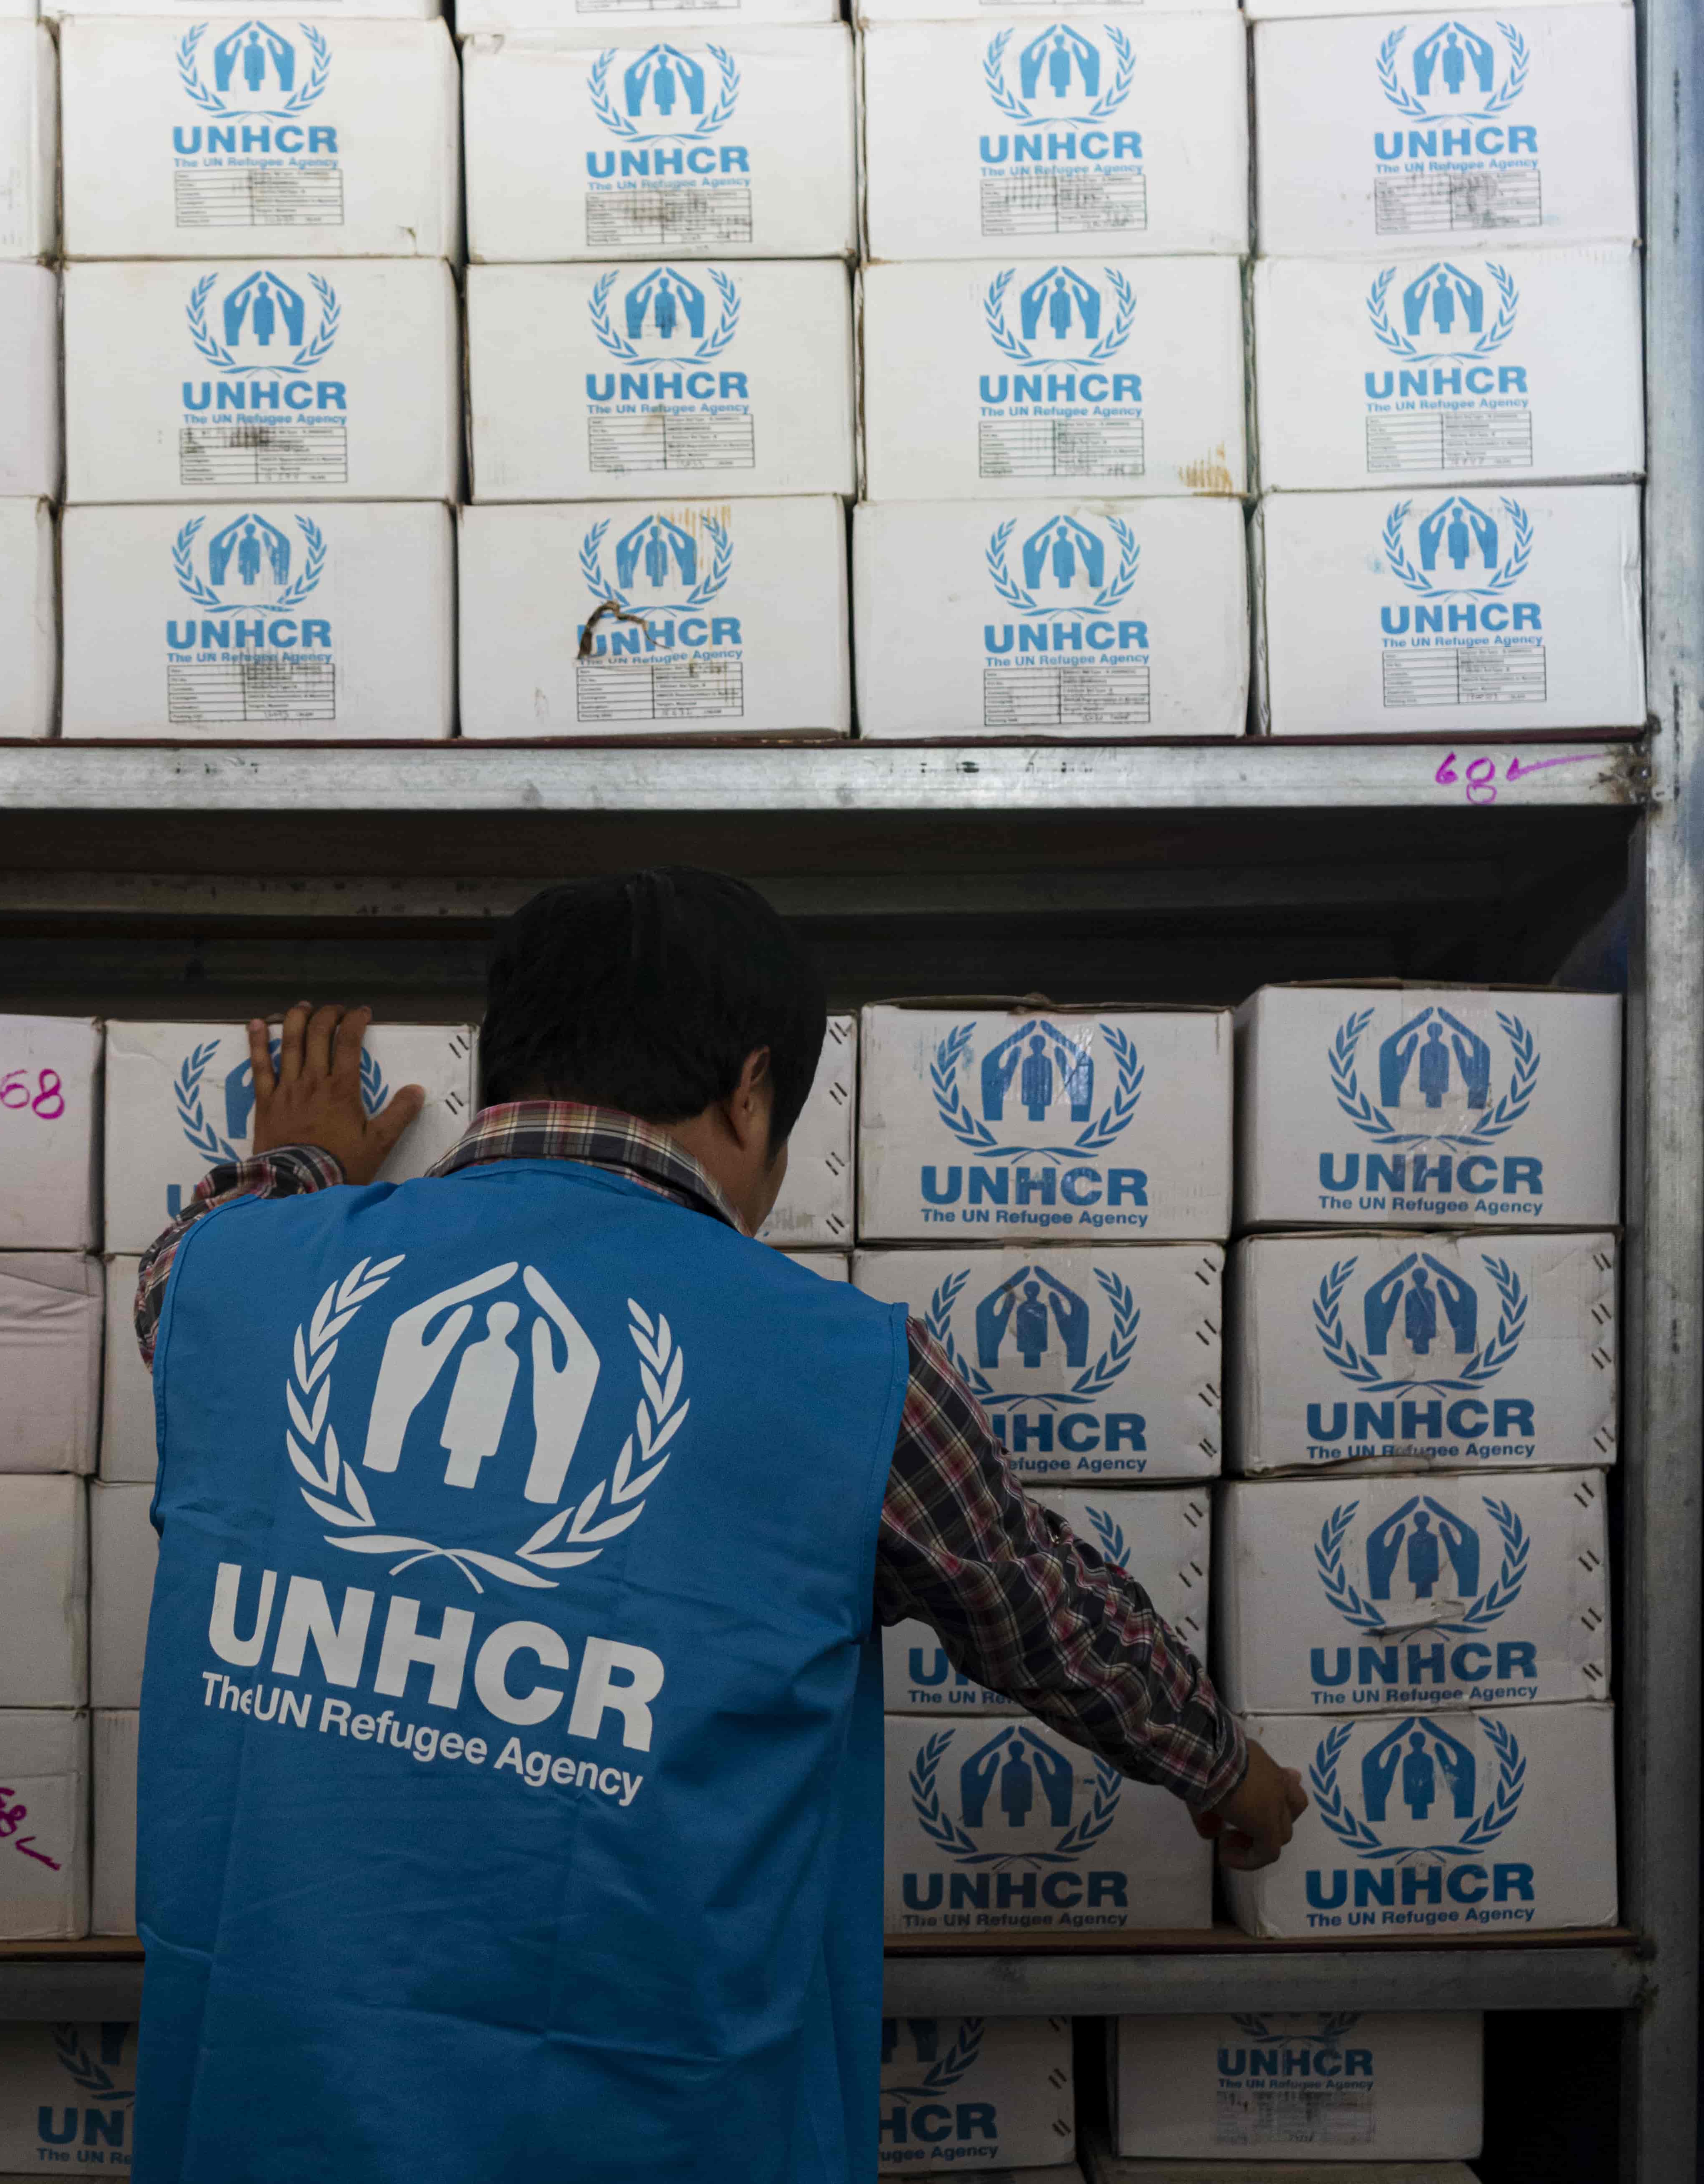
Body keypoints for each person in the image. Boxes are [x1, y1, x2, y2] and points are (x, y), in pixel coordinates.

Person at [127, 867, 1306, 2183]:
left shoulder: (222, 1282)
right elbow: (1047, 1616)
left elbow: (197, 1248)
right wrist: (1226, 1771)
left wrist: (296, 1162)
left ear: (500, 1060)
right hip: (649, 2129)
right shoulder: (851, 1373)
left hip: (275, 2122)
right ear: (751, 1091)